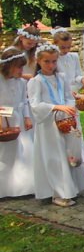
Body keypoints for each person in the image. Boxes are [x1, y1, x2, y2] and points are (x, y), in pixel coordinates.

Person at [28, 43, 84, 207]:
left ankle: (72, 187)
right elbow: (35, 105)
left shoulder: (61, 77)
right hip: (48, 126)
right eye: (47, 61)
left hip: (65, 122)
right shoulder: (36, 81)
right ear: (39, 61)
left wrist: (68, 107)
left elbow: (68, 96)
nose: (51, 65)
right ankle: (58, 192)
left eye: (54, 61)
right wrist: (55, 107)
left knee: (69, 154)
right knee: (55, 158)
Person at [52, 27, 84, 170]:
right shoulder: (53, 59)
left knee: (76, 128)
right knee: (64, 128)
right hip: (59, 97)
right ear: (55, 44)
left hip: (72, 98)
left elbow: (76, 77)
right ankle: (66, 158)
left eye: (68, 47)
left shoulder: (73, 57)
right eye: (62, 47)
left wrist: (83, 79)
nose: (66, 50)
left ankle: (82, 158)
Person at [0, 47, 34, 198]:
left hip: (17, 120)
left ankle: (21, 186)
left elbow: (24, 101)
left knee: (21, 151)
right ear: (9, 66)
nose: (22, 70)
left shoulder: (21, 83)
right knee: (4, 153)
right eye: (19, 67)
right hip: (2, 120)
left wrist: (27, 117)